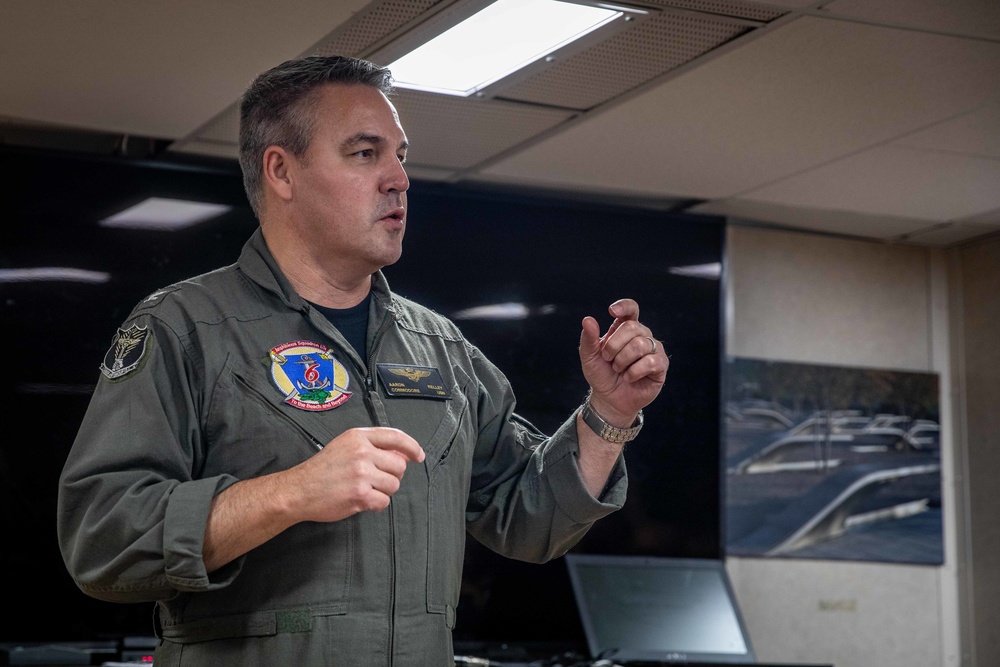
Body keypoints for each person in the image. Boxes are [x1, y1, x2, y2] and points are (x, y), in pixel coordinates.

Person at [57, 54, 668, 666]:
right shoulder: (185, 329)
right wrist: (291, 492)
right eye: (365, 153)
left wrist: (608, 415)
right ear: (282, 171)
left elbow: (529, 520)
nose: (399, 178)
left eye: (400, 155)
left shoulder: (442, 349)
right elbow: (103, 540)